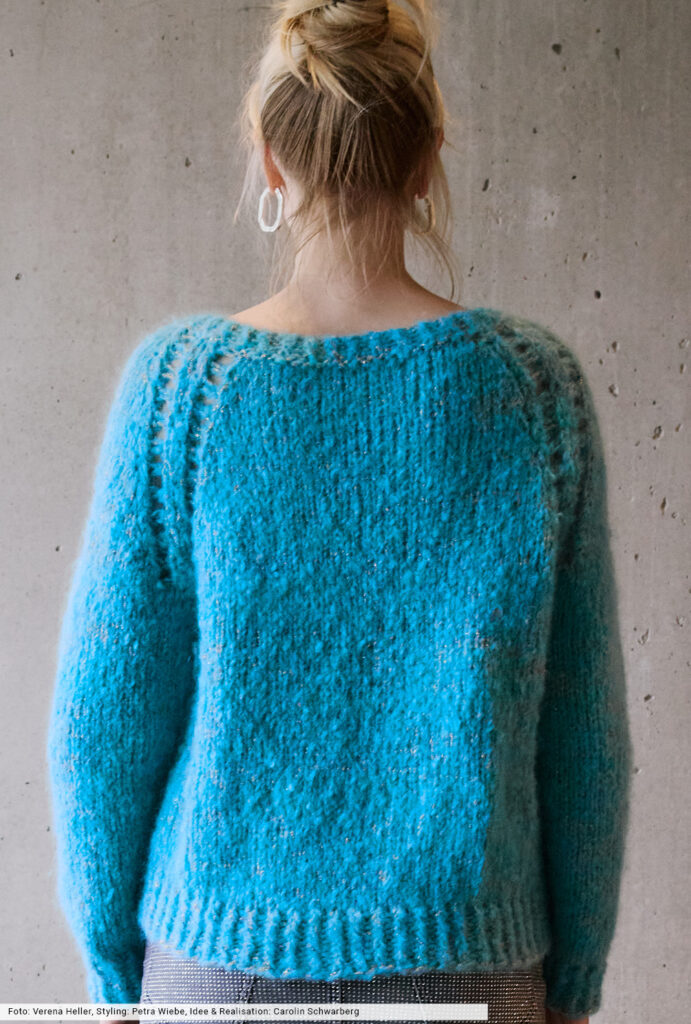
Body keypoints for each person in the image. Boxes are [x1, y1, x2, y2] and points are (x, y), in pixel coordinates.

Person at [46, 2, 633, 1023]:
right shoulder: (532, 393)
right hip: (470, 965)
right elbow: (585, 734)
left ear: (271, 159)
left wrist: (111, 963)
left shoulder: (181, 394)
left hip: (216, 962)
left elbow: (101, 720)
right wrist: (574, 977)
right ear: (426, 159)